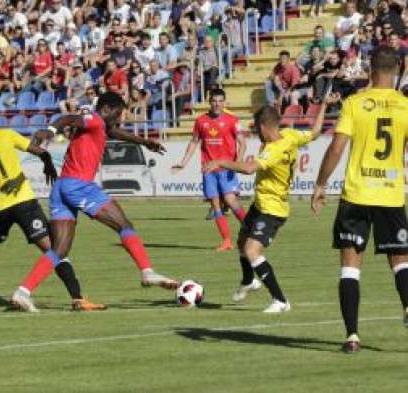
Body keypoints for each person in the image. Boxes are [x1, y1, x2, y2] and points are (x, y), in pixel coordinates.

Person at [10, 92, 179, 312]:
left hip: (60, 188)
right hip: (79, 186)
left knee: (59, 250)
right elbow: (69, 119)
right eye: (117, 113)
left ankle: (23, 292)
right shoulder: (94, 119)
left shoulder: (99, 125)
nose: (118, 119)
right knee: (124, 225)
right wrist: (51, 131)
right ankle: (147, 271)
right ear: (107, 108)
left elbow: (113, 131)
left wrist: (144, 142)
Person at [0, 112, 105, 311]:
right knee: (54, 249)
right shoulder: (5, 134)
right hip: (24, 203)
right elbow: (40, 151)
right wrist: (48, 164)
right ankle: (78, 298)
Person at [311, 46, 408, 354]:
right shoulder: (405, 106)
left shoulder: (355, 103)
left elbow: (337, 148)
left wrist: (320, 184)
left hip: (356, 194)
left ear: (370, 69)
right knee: (401, 264)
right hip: (390, 195)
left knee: (350, 268)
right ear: (396, 71)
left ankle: (352, 336)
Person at [205, 93, 339, 313]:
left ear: (265, 127)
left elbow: (249, 169)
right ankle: (249, 281)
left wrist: (220, 162)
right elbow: (315, 133)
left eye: (257, 128)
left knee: (251, 250)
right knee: (241, 242)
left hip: (272, 208)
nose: (256, 133)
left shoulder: (273, 150)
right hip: (260, 204)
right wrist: (323, 104)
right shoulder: (290, 135)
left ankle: (280, 301)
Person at [172, 88, 246, 251]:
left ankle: (250, 231)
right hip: (208, 169)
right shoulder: (200, 121)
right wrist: (183, 163)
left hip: (226, 168)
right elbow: (194, 142)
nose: (217, 104)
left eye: (220, 101)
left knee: (231, 200)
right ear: (209, 101)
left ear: (224, 102)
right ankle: (226, 241)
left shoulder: (232, 120)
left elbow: (242, 142)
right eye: (214, 101)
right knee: (216, 204)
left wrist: (238, 161)